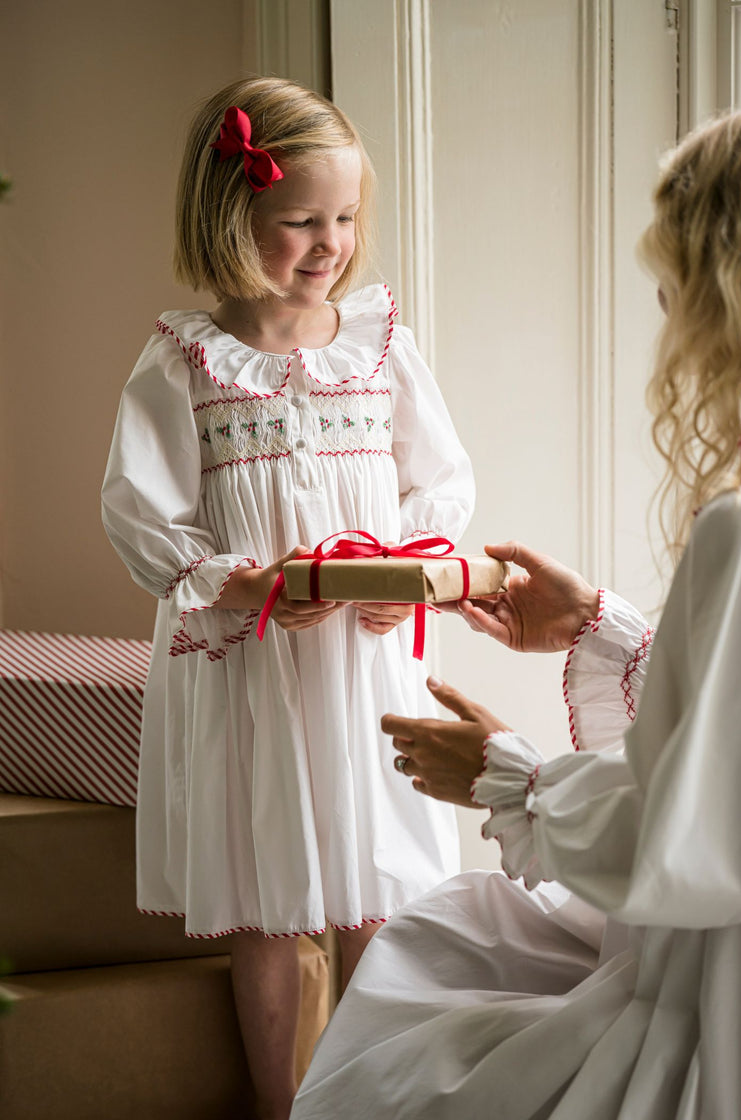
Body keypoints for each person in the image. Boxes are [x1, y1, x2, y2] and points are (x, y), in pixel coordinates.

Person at [290, 96, 741, 1119]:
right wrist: (606, 630)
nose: (663, 309)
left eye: (672, 278)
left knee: (404, 1033)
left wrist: (510, 779)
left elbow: (711, 841)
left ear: (738, 293)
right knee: (453, 935)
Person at [101, 77, 474, 1120]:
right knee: (267, 903)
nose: (331, 245)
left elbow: (441, 483)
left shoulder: (378, 346)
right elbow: (142, 514)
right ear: (233, 217)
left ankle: (364, 1096)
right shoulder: (186, 363)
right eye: (302, 221)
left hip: (363, 658)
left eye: (345, 219)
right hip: (254, 664)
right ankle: (283, 1101)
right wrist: (246, 585)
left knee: (375, 886)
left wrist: (401, 569)